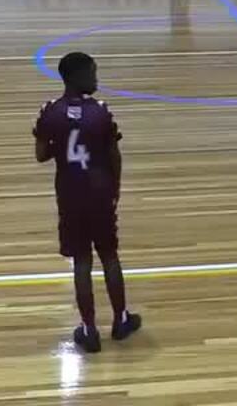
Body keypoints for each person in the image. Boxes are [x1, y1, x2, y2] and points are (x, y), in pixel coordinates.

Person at [33, 51, 142, 354]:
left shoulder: (49, 111)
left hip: (70, 196)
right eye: (93, 73)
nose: (96, 78)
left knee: (81, 261)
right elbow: (114, 155)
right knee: (109, 255)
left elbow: (41, 154)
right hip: (100, 194)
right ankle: (121, 319)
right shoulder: (101, 112)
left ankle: (89, 328)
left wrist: (62, 145)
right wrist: (116, 188)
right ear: (77, 76)